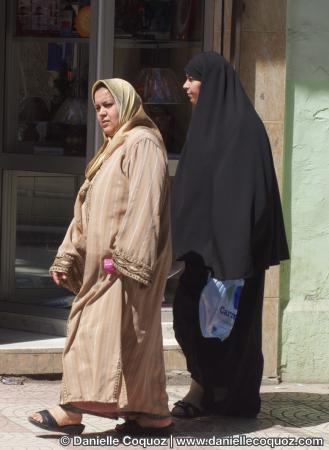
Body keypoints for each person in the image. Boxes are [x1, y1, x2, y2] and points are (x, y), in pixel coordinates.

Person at [28, 78, 173, 435]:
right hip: (105, 265)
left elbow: (146, 204)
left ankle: (71, 410)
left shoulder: (143, 143)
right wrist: (69, 254)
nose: (103, 113)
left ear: (126, 103)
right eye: (98, 107)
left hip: (124, 264)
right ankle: (151, 415)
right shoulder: (114, 147)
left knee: (92, 329)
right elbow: (88, 207)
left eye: (109, 105)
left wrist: (127, 258)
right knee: (134, 340)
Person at [171, 52, 289, 419]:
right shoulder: (206, 127)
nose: (186, 85)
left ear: (213, 82)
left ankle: (226, 396)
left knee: (234, 332)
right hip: (201, 255)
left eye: (193, 78)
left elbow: (252, 197)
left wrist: (232, 256)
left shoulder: (244, 129)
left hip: (235, 259)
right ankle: (203, 387)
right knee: (189, 321)